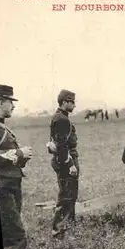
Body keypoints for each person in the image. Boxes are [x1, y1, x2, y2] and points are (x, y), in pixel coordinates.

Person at [0, 83, 33, 249]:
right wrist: (19, 154)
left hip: (10, 185)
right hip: (2, 187)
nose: (13, 106)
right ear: (0, 101)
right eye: (10, 102)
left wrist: (20, 157)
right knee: (15, 234)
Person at [47, 89, 79, 239]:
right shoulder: (62, 119)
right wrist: (70, 164)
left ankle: (69, 227)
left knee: (70, 194)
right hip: (66, 161)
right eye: (72, 102)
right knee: (66, 196)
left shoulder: (60, 117)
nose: (74, 105)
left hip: (64, 159)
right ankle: (59, 231)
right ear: (65, 102)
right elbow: (61, 145)